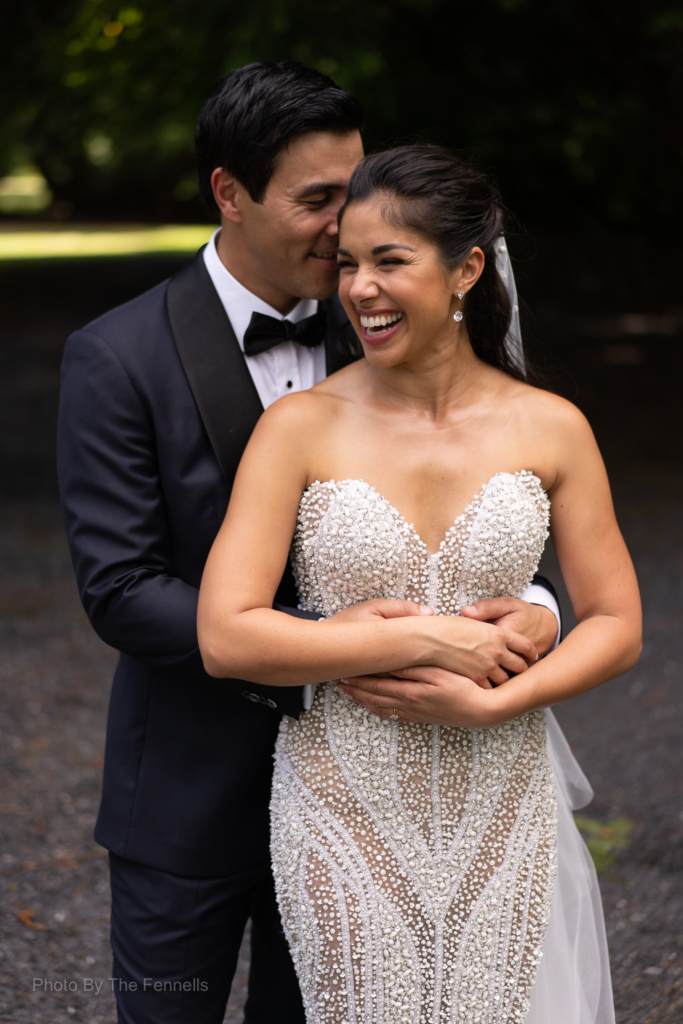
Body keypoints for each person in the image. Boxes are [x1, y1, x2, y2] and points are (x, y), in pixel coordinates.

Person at [57, 63, 560, 1024]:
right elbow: (122, 588)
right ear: (229, 195)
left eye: (358, 190)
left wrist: (530, 613)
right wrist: (343, 650)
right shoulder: (117, 357)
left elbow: (499, 507)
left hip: (373, 803)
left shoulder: (387, 322)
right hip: (191, 796)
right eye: (319, 200)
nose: (349, 227)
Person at [197, 145, 641, 1023]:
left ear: (466, 269)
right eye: (348, 263)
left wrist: (498, 703)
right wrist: (420, 640)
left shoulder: (552, 427)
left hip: (503, 794)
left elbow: (617, 623)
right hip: (341, 806)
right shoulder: (297, 427)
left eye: (389, 261)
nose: (358, 288)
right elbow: (226, 634)